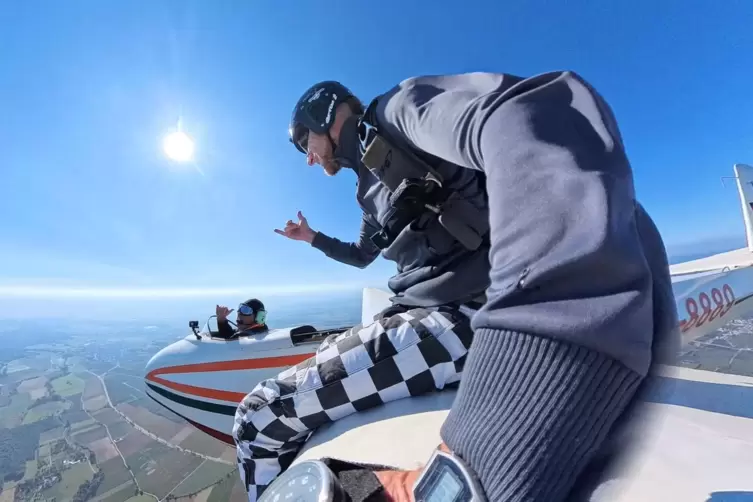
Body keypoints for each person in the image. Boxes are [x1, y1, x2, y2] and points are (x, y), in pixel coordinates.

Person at [233, 71, 679, 502]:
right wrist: (312, 239)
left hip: (463, 317)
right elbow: (362, 255)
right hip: (421, 311)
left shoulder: (396, 114)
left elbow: (531, 112)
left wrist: (539, 324)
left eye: (303, 143)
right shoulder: (364, 191)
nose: (308, 157)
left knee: (258, 417)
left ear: (325, 117)